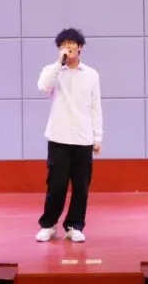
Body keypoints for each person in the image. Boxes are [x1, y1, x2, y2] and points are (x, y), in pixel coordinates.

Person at [34, 28, 103, 244]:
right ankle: (48, 225)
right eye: (63, 44)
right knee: (56, 185)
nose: (68, 47)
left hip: (83, 139)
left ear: (80, 47)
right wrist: (59, 64)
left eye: (71, 43)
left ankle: (75, 226)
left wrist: (97, 137)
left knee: (81, 187)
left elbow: (95, 107)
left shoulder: (91, 74)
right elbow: (43, 87)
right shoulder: (53, 71)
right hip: (59, 138)